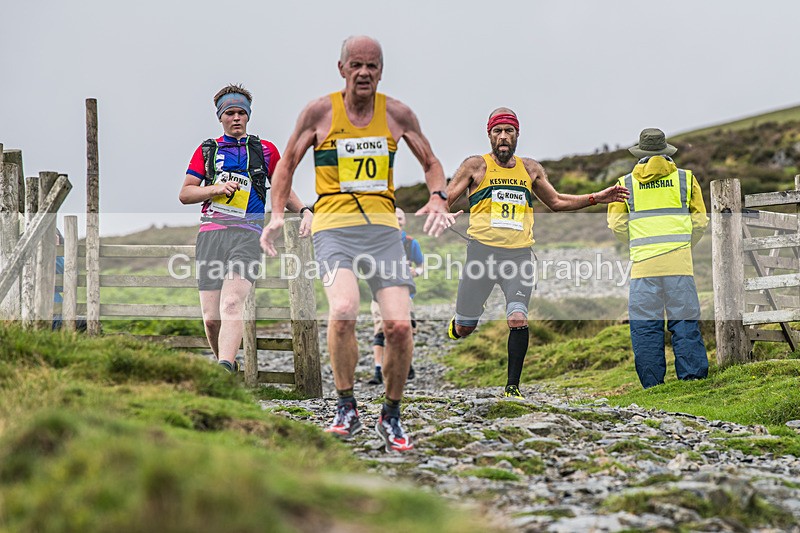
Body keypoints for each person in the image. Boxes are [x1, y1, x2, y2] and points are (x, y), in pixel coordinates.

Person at [260, 36, 453, 452]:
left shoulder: (397, 114)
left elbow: (432, 163)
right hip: (333, 226)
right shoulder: (320, 112)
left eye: (372, 66)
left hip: (383, 230)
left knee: (399, 326)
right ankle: (346, 406)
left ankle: (391, 414)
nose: (364, 72)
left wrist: (438, 196)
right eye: (356, 65)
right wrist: (278, 213)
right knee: (344, 309)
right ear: (342, 68)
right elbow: (287, 164)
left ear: (381, 71)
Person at [445, 108, 629, 398]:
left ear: (517, 135)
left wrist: (596, 198)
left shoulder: (530, 169)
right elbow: (445, 199)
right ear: (489, 135)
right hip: (481, 256)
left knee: (518, 318)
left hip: (518, 257)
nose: (503, 136)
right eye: (498, 131)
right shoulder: (475, 166)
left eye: (509, 131)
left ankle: (512, 388)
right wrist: (441, 213)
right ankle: (459, 324)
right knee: (466, 327)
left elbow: (556, 201)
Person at [179, 84, 312, 373]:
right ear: (220, 117)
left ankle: (223, 369)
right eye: (230, 113)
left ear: (248, 116)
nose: (236, 118)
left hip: (248, 235)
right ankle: (226, 364)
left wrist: (304, 211)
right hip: (212, 234)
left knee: (231, 303)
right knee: (212, 318)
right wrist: (214, 189)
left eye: (241, 113)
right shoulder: (207, 150)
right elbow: (186, 193)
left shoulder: (265, 150)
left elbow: (282, 190)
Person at [607, 128, 709, 388]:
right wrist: (685, 245)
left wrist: (637, 244)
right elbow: (700, 221)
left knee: (645, 327)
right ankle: (692, 379)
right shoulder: (686, 179)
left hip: (643, 267)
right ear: (666, 152)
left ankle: (653, 386)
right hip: (680, 265)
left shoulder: (625, 183)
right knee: (684, 321)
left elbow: (616, 224)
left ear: (640, 153)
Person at [367, 206, 424, 385]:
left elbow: (422, 265)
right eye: (394, 217)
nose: (397, 220)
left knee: (407, 330)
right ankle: (378, 370)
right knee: (380, 330)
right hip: (379, 294)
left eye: (400, 217)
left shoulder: (410, 243)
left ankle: (406, 365)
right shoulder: (378, 242)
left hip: (405, 295)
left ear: (404, 220)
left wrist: (416, 271)